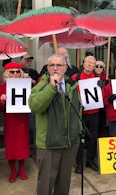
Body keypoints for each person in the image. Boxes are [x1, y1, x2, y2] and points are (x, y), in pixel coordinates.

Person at [28, 54, 82, 195]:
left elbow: (78, 108)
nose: (55, 68)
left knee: (64, 183)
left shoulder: (72, 85)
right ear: (47, 68)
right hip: (49, 145)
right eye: (52, 65)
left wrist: (78, 130)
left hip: (69, 143)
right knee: (46, 184)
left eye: (59, 65)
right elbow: (35, 106)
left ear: (65, 68)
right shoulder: (41, 86)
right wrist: (52, 87)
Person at [0, 62, 30, 183]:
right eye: (12, 71)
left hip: (22, 118)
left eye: (17, 71)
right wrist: (1, 100)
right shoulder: (2, 87)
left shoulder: (26, 86)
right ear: (7, 73)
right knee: (11, 145)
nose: (15, 74)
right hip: (10, 120)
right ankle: (12, 170)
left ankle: (21, 168)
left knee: (22, 144)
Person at [72, 55, 101, 173]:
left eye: (92, 63)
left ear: (94, 66)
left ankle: (90, 160)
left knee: (93, 137)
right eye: (88, 62)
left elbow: (101, 96)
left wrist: (102, 88)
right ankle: (79, 162)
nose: (89, 65)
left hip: (94, 112)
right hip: (81, 112)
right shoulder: (76, 77)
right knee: (81, 138)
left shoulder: (97, 78)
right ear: (83, 64)